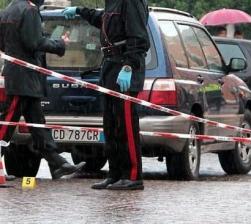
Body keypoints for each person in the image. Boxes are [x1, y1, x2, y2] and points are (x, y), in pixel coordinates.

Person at [63, 0, 150, 190]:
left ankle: (133, 176)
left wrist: (129, 66)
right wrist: (80, 11)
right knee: (111, 127)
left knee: (126, 126)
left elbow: (139, 38)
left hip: (125, 66)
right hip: (110, 65)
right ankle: (115, 173)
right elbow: (102, 19)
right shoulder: (113, 2)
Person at [0, 0, 86, 179]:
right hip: (23, 77)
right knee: (7, 122)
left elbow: (4, 43)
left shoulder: (9, 8)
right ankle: (57, 163)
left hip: (19, 74)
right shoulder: (29, 10)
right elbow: (34, 42)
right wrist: (59, 44)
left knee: (37, 123)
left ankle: (57, 163)